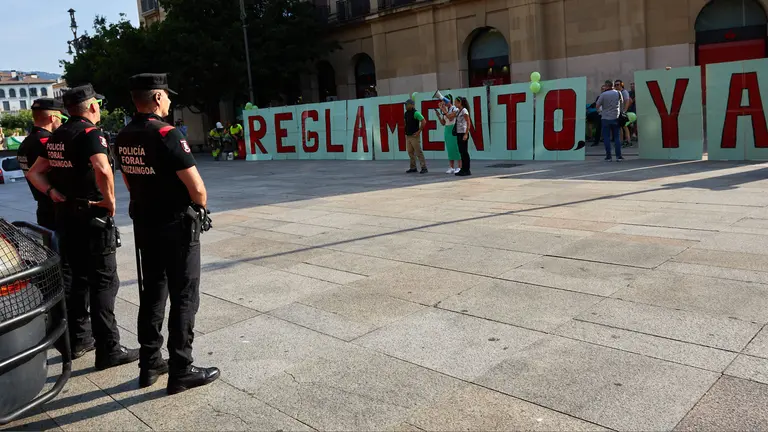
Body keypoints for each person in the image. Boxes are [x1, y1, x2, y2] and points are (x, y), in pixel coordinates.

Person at [117, 73, 219, 394]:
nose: (170, 101)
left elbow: (129, 182)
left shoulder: (123, 135)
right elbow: (197, 187)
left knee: (152, 293)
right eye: (167, 96)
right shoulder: (166, 133)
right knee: (185, 295)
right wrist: (200, 208)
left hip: (145, 225)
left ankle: (150, 363)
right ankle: (181, 369)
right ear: (158, 97)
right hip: (176, 226)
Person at [26, 84, 139, 367]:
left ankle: (79, 339)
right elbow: (102, 168)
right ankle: (109, 349)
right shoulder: (90, 134)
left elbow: (35, 172)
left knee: (78, 280)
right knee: (104, 282)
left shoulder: (58, 135)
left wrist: (52, 192)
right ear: (91, 107)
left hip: (66, 217)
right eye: (97, 104)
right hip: (91, 217)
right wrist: (109, 201)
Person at [18, 98, 69, 230]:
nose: (62, 123)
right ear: (53, 118)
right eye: (62, 119)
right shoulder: (47, 142)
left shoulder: (25, 143)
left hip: (43, 207)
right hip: (58, 207)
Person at [596, 80, 624, 162]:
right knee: (617, 137)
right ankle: (618, 156)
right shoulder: (618, 93)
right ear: (613, 85)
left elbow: (597, 105)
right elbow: (622, 103)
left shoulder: (603, 94)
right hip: (616, 117)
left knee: (606, 138)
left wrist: (601, 111)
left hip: (605, 118)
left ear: (606, 86)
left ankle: (609, 157)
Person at [438, 95, 461, 173]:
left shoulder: (455, 109)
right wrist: (438, 115)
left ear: (449, 101)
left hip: (454, 128)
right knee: (450, 148)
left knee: (456, 148)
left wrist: (443, 110)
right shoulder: (445, 110)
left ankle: (459, 167)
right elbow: (443, 123)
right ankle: (451, 167)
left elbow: (451, 118)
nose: (443, 103)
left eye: (445, 101)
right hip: (447, 129)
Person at [404, 99, 427, 174]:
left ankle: (424, 167)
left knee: (418, 152)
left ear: (412, 105)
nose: (405, 106)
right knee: (410, 152)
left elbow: (424, 121)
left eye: (407, 104)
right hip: (408, 136)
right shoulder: (406, 113)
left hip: (414, 136)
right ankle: (413, 167)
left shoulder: (416, 113)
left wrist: (419, 131)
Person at [454, 96, 472, 176]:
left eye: (456, 102)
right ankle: (463, 169)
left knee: (464, 152)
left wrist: (466, 134)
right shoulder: (458, 111)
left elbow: (468, 122)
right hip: (459, 132)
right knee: (461, 151)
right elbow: (450, 116)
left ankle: (467, 169)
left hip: (463, 133)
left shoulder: (464, 110)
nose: (455, 104)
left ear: (460, 103)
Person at [615, 80, 632, 148]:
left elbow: (627, 101)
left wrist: (624, 111)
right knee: (620, 127)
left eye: (618, 84)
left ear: (621, 85)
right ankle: (621, 141)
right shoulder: (617, 92)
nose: (616, 86)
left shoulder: (624, 92)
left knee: (625, 126)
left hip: (622, 112)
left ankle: (628, 141)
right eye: (615, 85)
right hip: (619, 112)